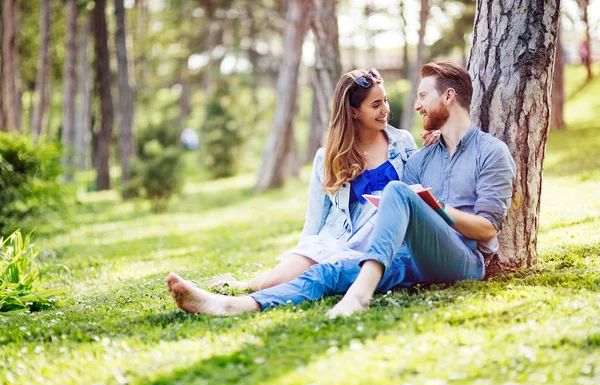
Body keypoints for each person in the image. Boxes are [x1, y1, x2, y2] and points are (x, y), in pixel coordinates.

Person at [166, 62, 507, 317]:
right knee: (326, 272)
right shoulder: (421, 160)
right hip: (410, 257)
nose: (414, 106)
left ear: (448, 96)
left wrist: (436, 209)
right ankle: (233, 305)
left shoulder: (490, 152)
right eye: (379, 103)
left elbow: (488, 228)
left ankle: (360, 294)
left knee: (398, 191)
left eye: (422, 97)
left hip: (464, 261)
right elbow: (325, 218)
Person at [207, 68, 421, 293]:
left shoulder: (402, 142)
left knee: (324, 279)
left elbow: (422, 188)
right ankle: (240, 285)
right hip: (340, 239)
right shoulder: (328, 156)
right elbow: (315, 217)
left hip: (388, 240)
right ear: (353, 112)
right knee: (276, 281)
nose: (385, 110)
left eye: (385, 101)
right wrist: (305, 253)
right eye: (375, 105)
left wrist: (438, 142)